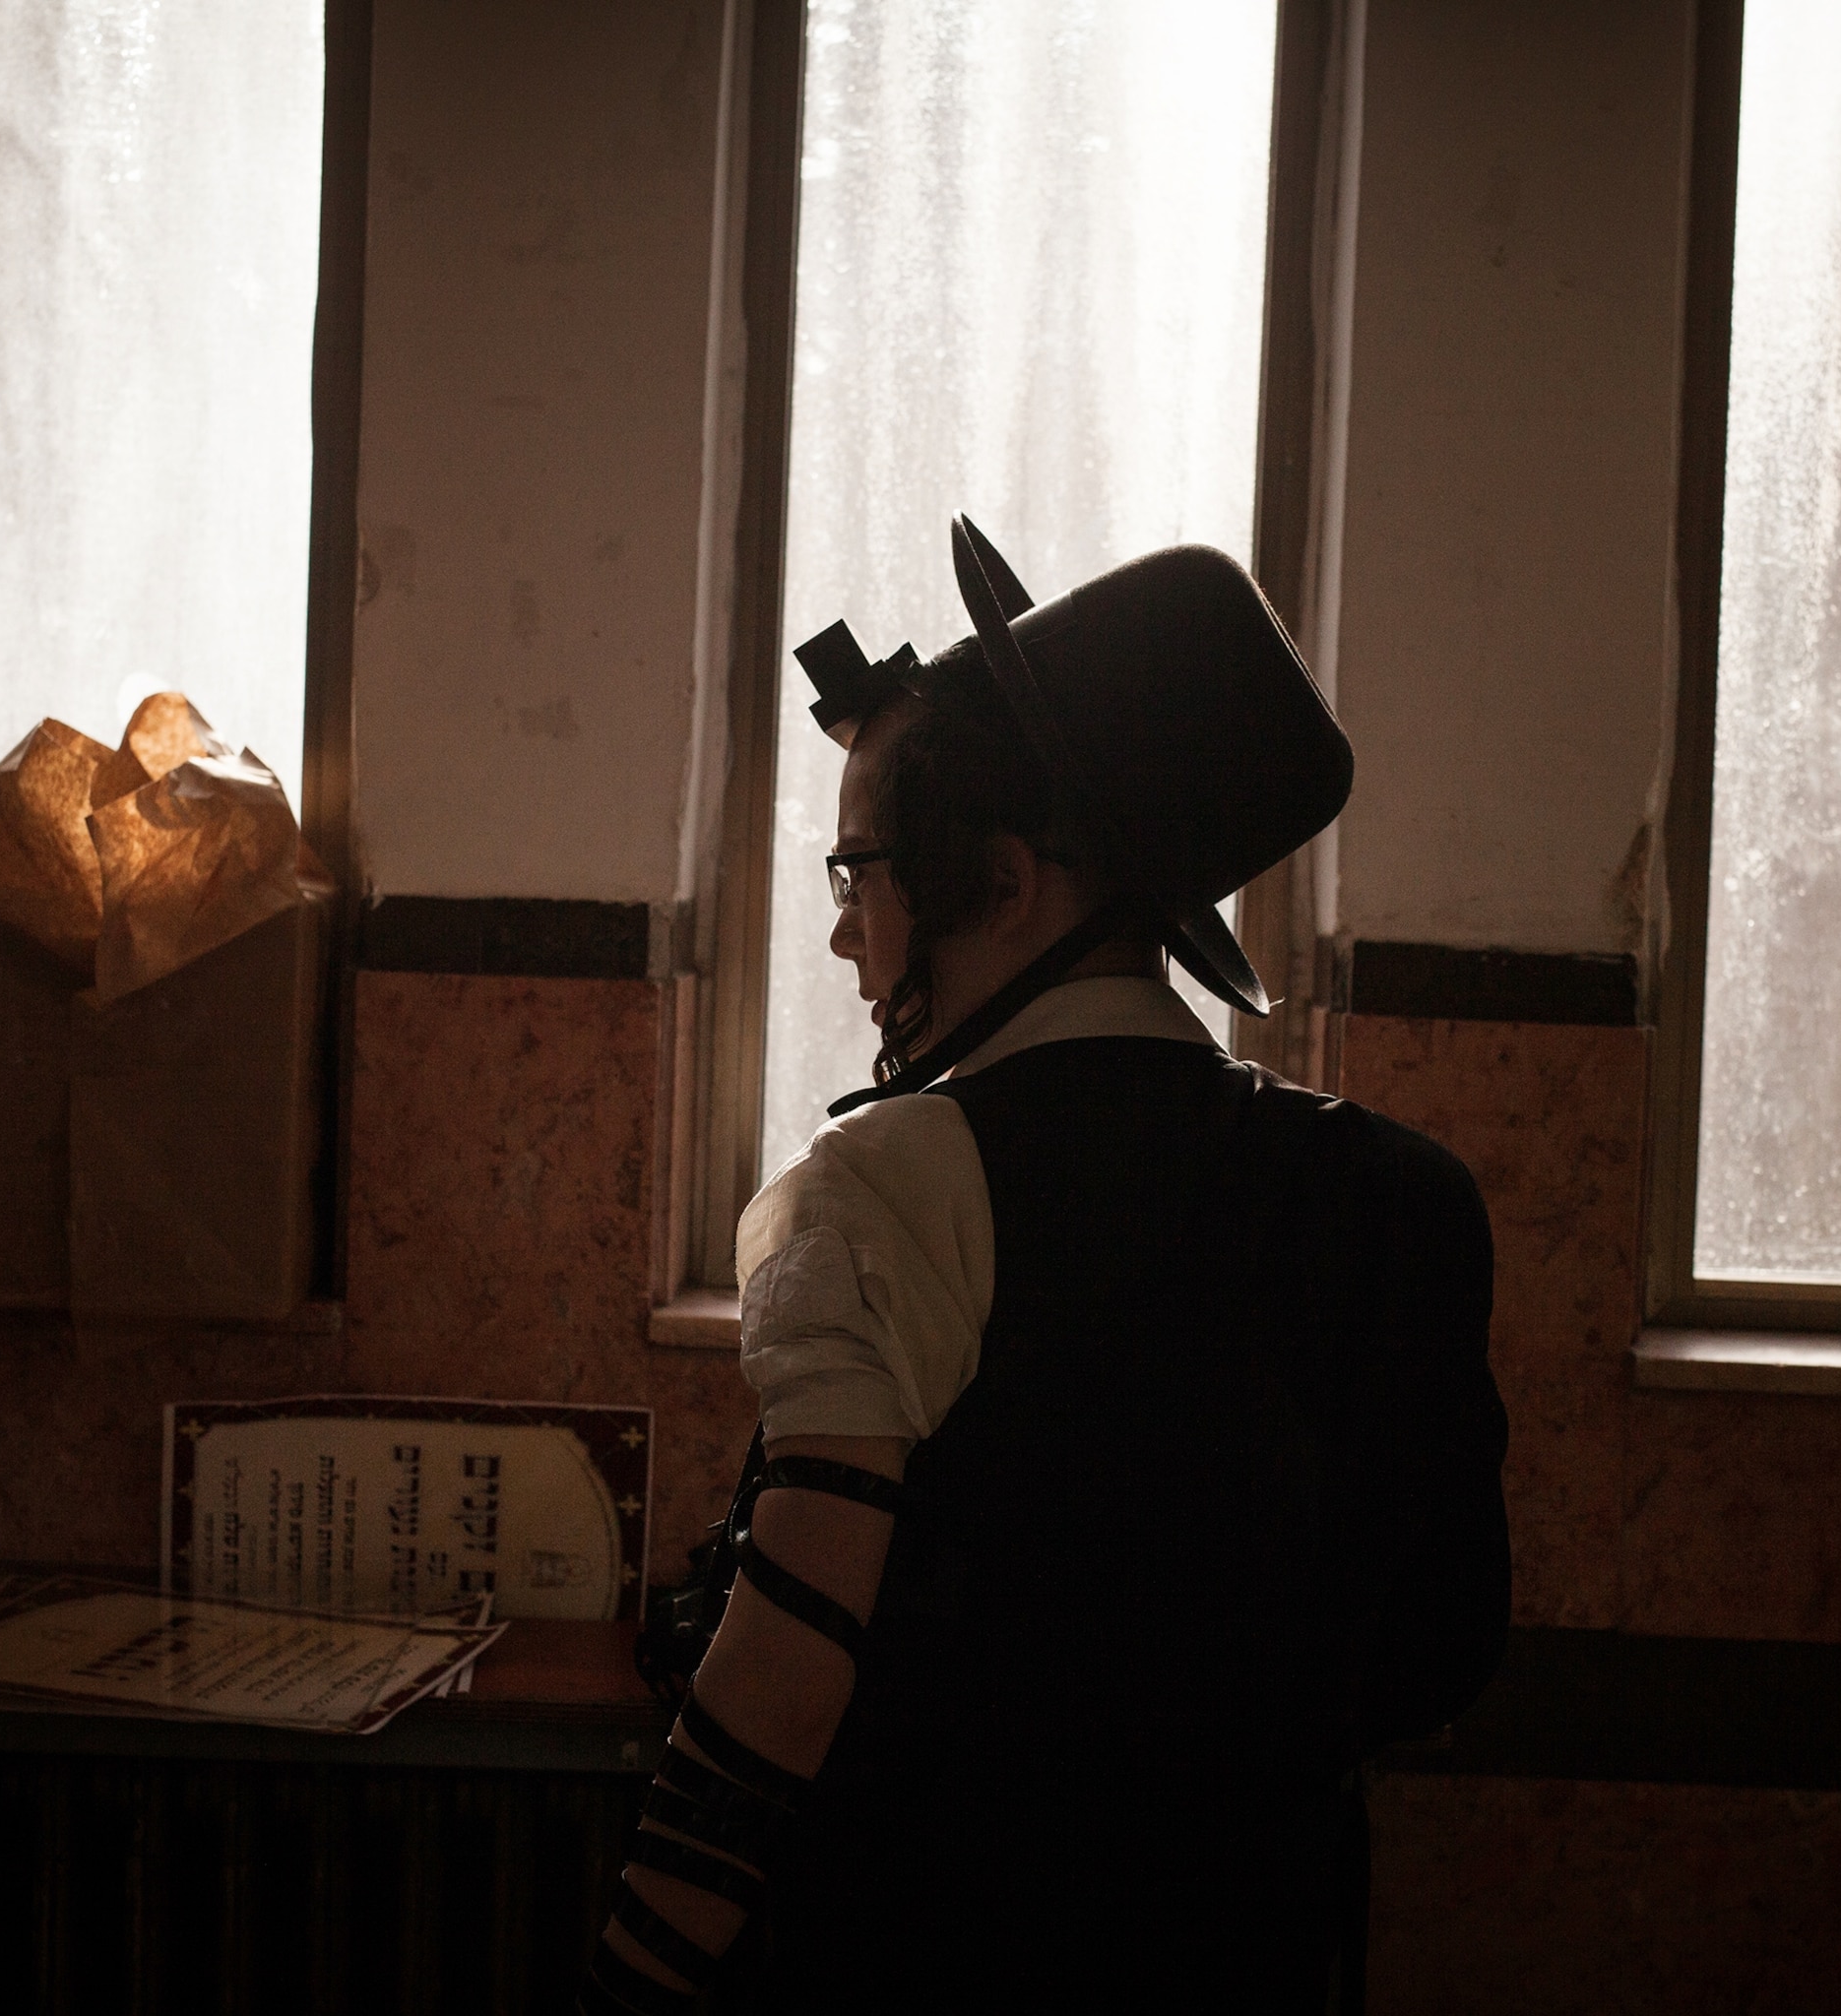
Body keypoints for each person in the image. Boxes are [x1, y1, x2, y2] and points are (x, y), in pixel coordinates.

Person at [581, 520, 1508, 2015]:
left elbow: (785, 1671)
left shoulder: (885, 1186)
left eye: (858, 871)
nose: (841, 934)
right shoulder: (1408, 1200)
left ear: (1005, 883)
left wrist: (633, 1974)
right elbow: (1438, 1652)